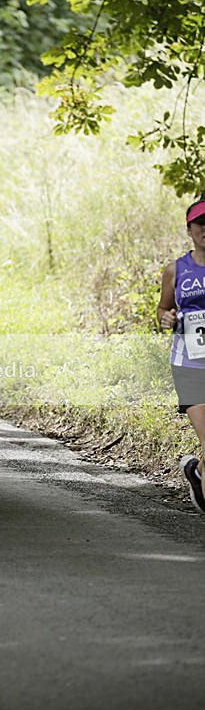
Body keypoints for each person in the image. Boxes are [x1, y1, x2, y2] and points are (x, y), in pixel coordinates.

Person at [157, 197, 205, 513]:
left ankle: (197, 473)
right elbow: (162, 309)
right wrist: (165, 318)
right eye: (201, 224)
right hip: (190, 365)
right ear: (189, 230)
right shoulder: (175, 270)